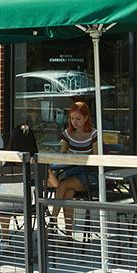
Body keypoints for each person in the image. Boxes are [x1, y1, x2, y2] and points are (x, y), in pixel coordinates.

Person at [47, 100, 96, 236]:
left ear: (86, 118)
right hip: (71, 171)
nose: (75, 122)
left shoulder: (93, 134)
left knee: (62, 185)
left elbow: (97, 157)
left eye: (78, 118)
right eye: (72, 118)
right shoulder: (67, 134)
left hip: (88, 174)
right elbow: (63, 156)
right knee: (68, 193)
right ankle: (69, 235)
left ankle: (52, 222)